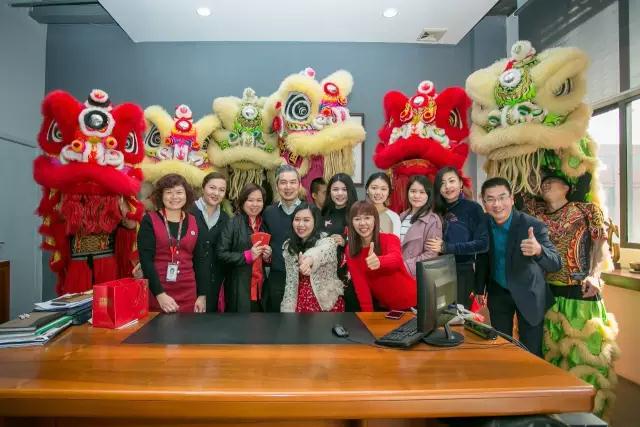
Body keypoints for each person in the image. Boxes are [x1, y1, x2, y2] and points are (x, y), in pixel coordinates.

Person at [524, 175, 619, 418]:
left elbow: (601, 247)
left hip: (581, 293)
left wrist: (595, 276)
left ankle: (588, 417)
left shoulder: (586, 210)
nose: (546, 184)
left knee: (585, 358)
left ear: (567, 187)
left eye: (552, 180)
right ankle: (555, 416)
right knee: (550, 358)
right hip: (548, 295)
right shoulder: (536, 213)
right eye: (543, 182)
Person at [474, 177, 561, 357]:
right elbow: (483, 256)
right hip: (499, 291)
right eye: (490, 199)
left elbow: (556, 263)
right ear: (484, 202)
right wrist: (479, 288)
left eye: (502, 197)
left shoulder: (532, 225)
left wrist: (538, 250)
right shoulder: (483, 223)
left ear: (512, 199)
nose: (497, 204)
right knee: (501, 346)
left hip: (529, 291)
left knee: (531, 350)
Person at [137, 173, 209, 313]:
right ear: (161, 196)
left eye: (179, 192)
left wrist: (202, 295)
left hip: (189, 293)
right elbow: (146, 261)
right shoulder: (149, 220)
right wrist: (160, 294)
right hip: (158, 292)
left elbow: (200, 260)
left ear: (186, 195)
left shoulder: (194, 221)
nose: (174, 197)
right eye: (169, 192)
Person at [427, 166, 489, 308]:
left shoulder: (473, 208)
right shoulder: (433, 210)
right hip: (435, 271)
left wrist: (447, 247)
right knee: (436, 316)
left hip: (462, 272)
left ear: (460, 183)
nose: (447, 187)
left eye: (451, 181)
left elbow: (483, 244)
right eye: (442, 183)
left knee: (459, 316)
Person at [345, 201, 417, 311]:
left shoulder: (390, 239)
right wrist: (368, 316)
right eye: (357, 219)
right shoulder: (351, 249)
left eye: (367, 218)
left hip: (411, 301)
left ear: (375, 220)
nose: (362, 223)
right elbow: (361, 286)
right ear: (352, 223)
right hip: (386, 307)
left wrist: (380, 261)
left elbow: (397, 259)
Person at [280, 203, 345, 312]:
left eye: (306, 220)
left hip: (326, 305)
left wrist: (308, 260)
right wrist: (287, 308)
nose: (301, 224)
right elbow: (290, 282)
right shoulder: (289, 246)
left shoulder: (328, 241)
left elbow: (320, 252)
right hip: (299, 304)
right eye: (297, 219)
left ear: (316, 222)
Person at [217, 183, 272, 312]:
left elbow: (265, 261)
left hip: (260, 288)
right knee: (241, 322)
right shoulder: (232, 223)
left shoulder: (264, 224)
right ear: (242, 201)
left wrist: (268, 257)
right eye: (250, 200)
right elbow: (220, 254)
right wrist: (247, 256)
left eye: (259, 200)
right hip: (239, 287)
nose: (255, 204)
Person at [262, 164, 303, 312]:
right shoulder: (268, 212)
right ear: (277, 186)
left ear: (299, 185)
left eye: (293, 182)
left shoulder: (309, 211)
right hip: (276, 277)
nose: (288, 187)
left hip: (303, 278)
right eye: (283, 182)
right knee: (275, 321)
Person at [190, 172, 229, 312]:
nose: (216, 193)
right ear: (203, 188)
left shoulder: (225, 219)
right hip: (188, 279)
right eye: (212, 188)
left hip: (213, 283)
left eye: (221, 190)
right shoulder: (188, 212)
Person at [321, 173, 360, 310]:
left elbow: (364, 241)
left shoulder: (357, 213)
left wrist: (346, 242)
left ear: (350, 191)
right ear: (329, 192)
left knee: (352, 314)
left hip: (351, 276)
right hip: (327, 275)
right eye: (335, 189)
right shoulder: (323, 213)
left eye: (344, 189)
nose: (339, 193)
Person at [399, 175, 442, 277]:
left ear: (428, 195)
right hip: (397, 275)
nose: (416, 196)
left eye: (422, 192)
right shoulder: (401, 216)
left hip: (415, 276)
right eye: (413, 191)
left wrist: (404, 267)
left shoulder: (432, 220)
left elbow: (431, 255)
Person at [365, 172, 401, 236]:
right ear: (367, 189)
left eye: (383, 189)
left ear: (388, 192)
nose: (378, 192)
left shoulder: (394, 217)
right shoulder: (357, 213)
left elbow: (396, 241)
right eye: (374, 188)